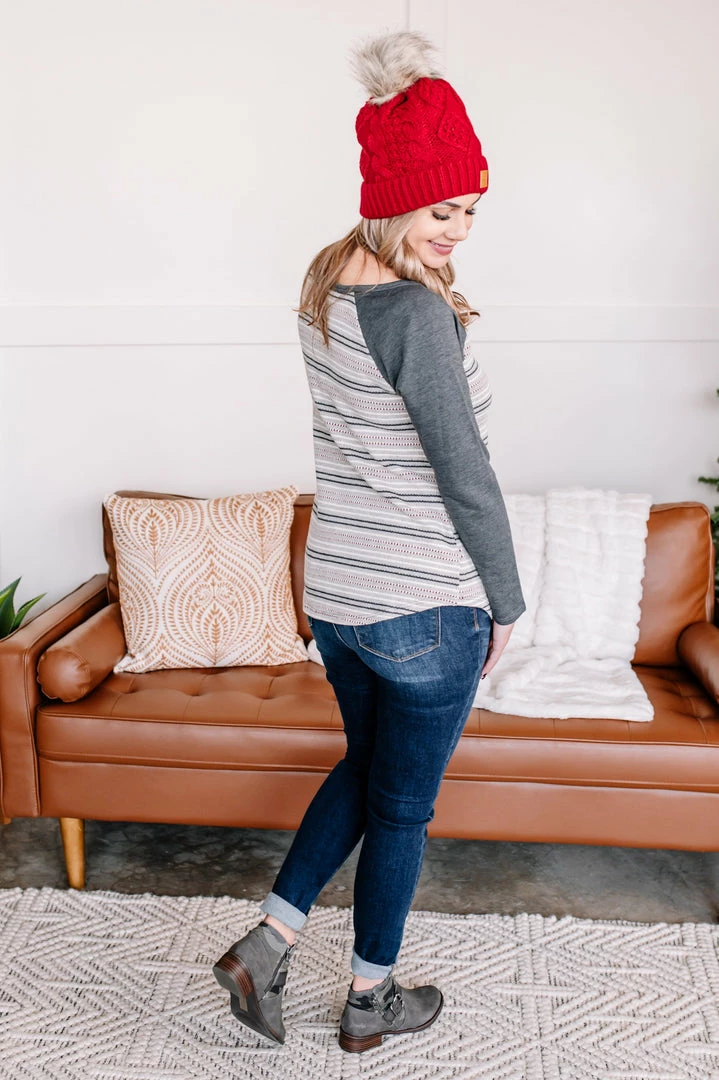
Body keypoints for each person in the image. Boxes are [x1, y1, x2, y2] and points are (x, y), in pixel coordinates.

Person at [213, 28, 525, 1053]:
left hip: (341, 597)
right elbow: (463, 472)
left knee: (367, 768)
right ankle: (368, 1001)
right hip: (424, 602)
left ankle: (267, 942)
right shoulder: (412, 315)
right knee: (401, 810)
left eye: (470, 211)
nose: (457, 232)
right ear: (395, 200)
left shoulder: (325, 278)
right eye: (441, 211)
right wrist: (505, 601)